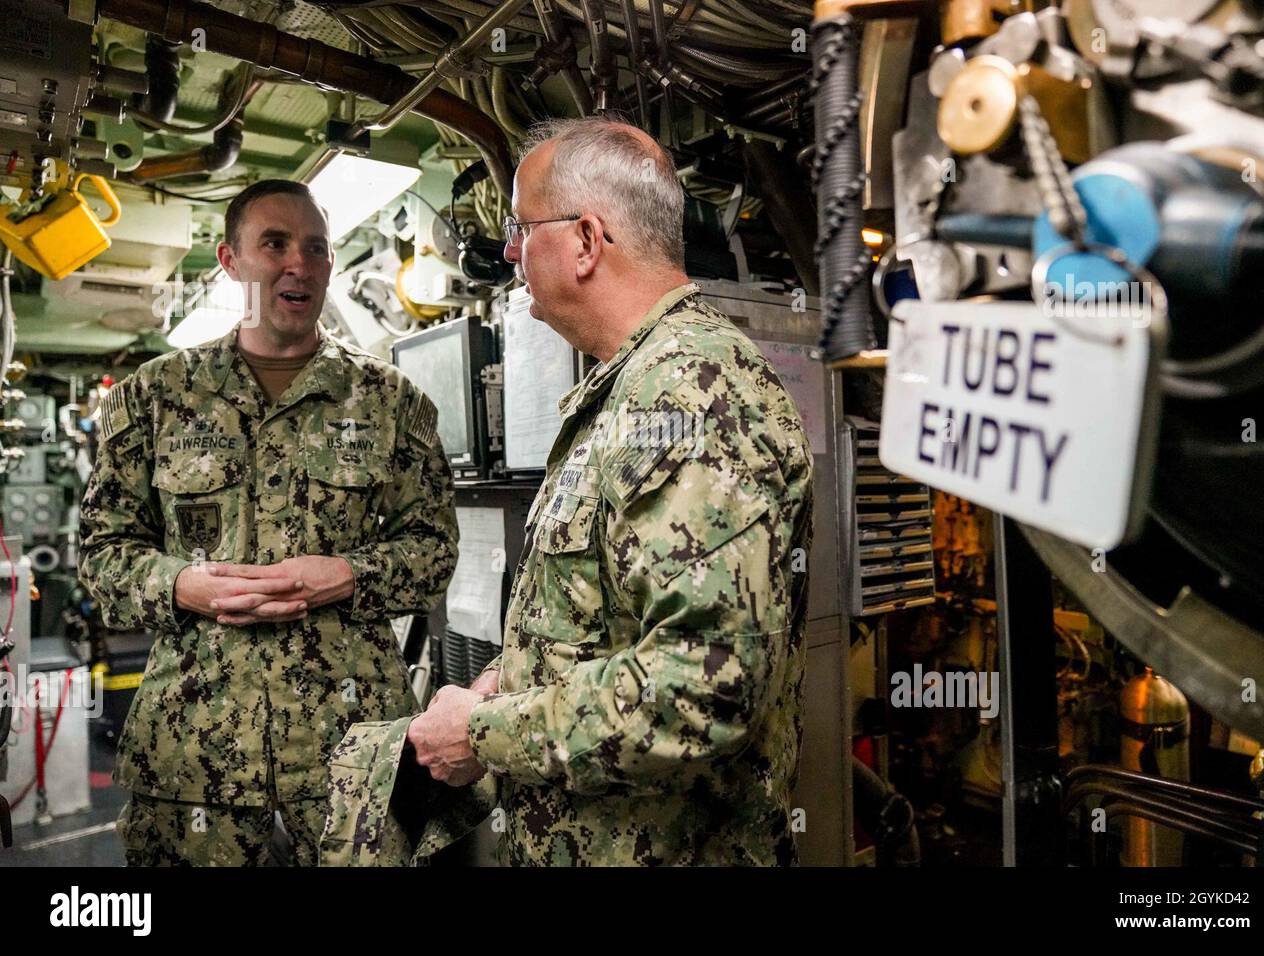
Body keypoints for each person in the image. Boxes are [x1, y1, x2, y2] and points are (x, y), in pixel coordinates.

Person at [406, 118, 815, 865]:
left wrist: (482, 731)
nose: (508, 252)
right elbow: (607, 619)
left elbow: (703, 688)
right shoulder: (630, 389)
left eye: (521, 228)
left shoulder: (687, 391)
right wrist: (512, 678)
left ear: (587, 241)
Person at [79, 179, 459, 865]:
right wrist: (182, 585)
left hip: (351, 747)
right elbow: (102, 554)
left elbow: (433, 551)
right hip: (198, 748)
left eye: (315, 248)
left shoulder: (390, 402)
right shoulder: (155, 398)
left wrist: (346, 575)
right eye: (275, 244)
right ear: (230, 261)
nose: (299, 265)